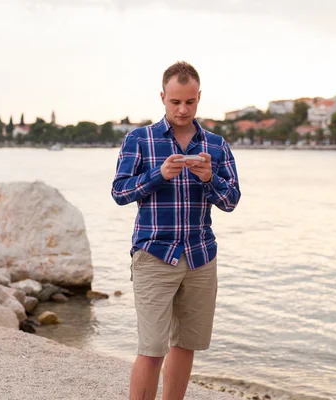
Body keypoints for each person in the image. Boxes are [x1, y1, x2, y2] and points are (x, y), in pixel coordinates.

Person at [111, 61, 241, 400]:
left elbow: (231, 202)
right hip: (155, 254)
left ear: (199, 98)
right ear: (162, 98)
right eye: (175, 102)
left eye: (189, 101)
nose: (182, 109)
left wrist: (209, 179)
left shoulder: (216, 145)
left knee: (186, 346)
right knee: (152, 349)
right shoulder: (139, 140)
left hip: (200, 257)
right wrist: (159, 175)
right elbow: (120, 193)